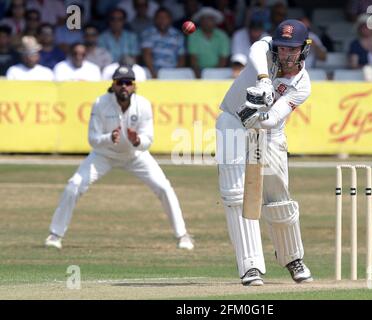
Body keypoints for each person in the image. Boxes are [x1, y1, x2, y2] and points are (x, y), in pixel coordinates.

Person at [45, 65, 194, 251]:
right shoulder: (101, 103)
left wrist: (137, 140)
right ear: (113, 85)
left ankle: (183, 235)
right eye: (119, 82)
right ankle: (55, 234)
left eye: (128, 82)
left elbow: (149, 140)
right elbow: (92, 139)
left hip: (135, 155)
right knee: (74, 185)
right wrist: (109, 138)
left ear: (134, 86)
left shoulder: (143, 105)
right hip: (104, 155)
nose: (124, 86)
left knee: (164, 187)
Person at [215, 19, 313, 286]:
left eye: (292, 49)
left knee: (278, 197)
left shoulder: (302, 84)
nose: (285, 54)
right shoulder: (266, 49)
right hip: (233, 120)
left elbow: (274, 118)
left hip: (270, 131)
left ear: (304, 49)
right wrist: (263, 80)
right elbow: (255, 51)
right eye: (282, 48)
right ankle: (251, 267)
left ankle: (292, 257)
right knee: (236, 194)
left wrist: (260, 114)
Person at [141, 7, 185, 78]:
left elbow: (181, 58)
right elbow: (146, 55)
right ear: (155, 19)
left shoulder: (178, 35)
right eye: (159, 17)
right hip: (152, 72)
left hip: (172, 72)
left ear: (170, 19)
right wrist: (154, 74)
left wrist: (175, 74)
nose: (162, 20)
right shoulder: (148, 34)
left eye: (165, 18)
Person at [188, 7, 230, 78]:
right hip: (198, 71)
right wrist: (199, 77)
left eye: (210, 19)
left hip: (218, 71)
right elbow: (193, 60)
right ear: (200, 21)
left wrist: (213, 75)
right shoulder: (193, 35)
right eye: (204, 19)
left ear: (215, 21)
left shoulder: (222, 36)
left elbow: (223, 60)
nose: (206, 22)